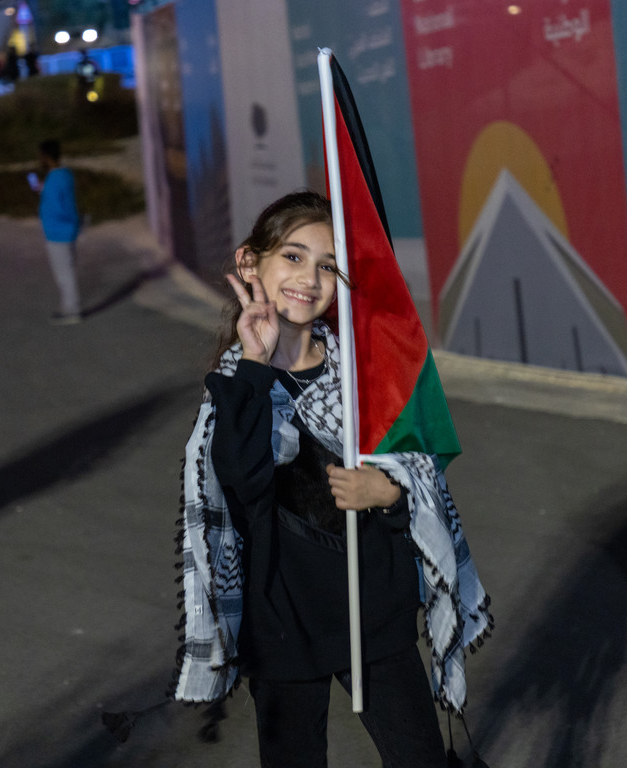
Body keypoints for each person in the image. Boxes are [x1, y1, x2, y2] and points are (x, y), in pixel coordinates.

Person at [173, 191, 492, 766]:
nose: (310, 278)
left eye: (328, 266)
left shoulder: (366, 377)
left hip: (374, 612)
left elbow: (420, 479)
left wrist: (387, 494)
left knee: (419, 757)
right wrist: (255, 361)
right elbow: (241, 482)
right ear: (251, 263)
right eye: (293, 257)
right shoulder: (237, 384)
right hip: (284, 623)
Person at [34, 139, 82, 324]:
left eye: (40, 155)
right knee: (68, 269)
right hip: (69, 228)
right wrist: (43, 189)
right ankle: (71, 308)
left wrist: (44, 195)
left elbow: (54, 205)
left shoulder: (53, 178)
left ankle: (72, 311)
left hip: (57, 231)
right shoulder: (65, 174)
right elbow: (61, 197)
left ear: (46, 156)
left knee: (64, 273)